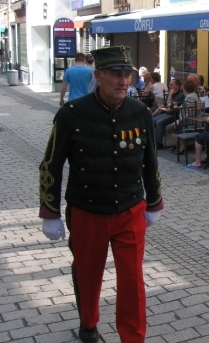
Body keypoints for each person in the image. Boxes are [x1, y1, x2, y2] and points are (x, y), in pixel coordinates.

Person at [39, 45, 163, 343]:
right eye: (115, 75)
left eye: (126, 75)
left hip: (131, 209)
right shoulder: (71, 114)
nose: (123, 82)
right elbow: (50, 163)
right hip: (87, 211)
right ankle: (89, 323)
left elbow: (151, 160)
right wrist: (50, 212)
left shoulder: (140, 112)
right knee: (88, 272)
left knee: (133, 279)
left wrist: (155, 202)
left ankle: (132, 337)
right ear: (98, 75)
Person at [166, 80, 199, 150]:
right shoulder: (194, 95)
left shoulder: (189, 98)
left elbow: (190, 112)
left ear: (185, 89)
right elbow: (187, 107)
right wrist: (179, 107)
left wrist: (179, 120)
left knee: (169, 128)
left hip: (189, 123)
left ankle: (181, 146)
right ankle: (182, 144)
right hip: (192, 122)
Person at [154, 78, 185, 149]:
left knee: (159, 122)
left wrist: (170, 94)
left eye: (171, 85)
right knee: (153, 119)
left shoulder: (180, 95)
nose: (169, 86)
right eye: (169, 84)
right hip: (168, 114)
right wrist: (153, 115)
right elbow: (163, 105)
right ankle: (153, 141)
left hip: (175, 116)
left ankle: (159, 143)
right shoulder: (172, 94)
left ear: (177, 86)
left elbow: (169, 106)